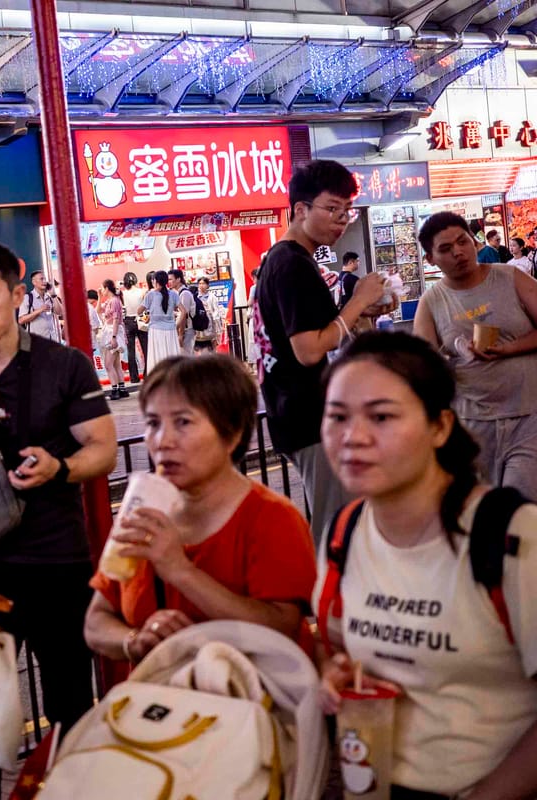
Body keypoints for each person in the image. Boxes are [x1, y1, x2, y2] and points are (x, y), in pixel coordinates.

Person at [316, 331, 537, 800]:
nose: (353, 437)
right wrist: (334, 671)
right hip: (374, 783)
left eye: (381, 416)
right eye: (337, 417)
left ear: (440, 426)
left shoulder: (512, 535)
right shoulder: (344, 532)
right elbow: (334, 646)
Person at [0, 242, 116, 772]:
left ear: (16, 296)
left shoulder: (64, 366)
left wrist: (60, 468)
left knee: (70, 704)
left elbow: (103, 448)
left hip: (58, 562)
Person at [85, 355, 317, 664]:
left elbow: (281, 629)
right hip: (165, 693)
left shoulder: (272, 518)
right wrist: (135, 641)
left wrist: (179, 570)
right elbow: (96, 621)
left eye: (183, 422)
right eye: (153, 423)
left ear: (232, 433)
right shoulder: (142, 513)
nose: (162, 441)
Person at [253, 159, 389, 543]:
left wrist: (362, 311)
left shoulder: (285, 260)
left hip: (298, 415)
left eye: (347, 211)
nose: (341, 220)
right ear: (301, 209)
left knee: (344, 521)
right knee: (337, 530)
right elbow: (309, 350)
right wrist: (358, 300)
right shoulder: (291, 264)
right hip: (307, 417)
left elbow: (323, 331)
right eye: (332, 209)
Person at [413, 212, 537, 500]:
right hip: (471, 426)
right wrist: (454, 353)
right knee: (482, 510)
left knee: (520, 506)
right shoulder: (431, 302)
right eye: (445, 248)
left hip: (528, 416)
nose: (458, 252)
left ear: (474, 241)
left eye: (463, 241)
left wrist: (509, 348)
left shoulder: (510, 277)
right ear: (430, 259)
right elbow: (422, 369)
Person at [142, 270, 180, 376]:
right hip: (171, 330)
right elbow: (183, 310)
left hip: (156, 330)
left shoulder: (150, 294)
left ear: (155, 281)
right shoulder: (173, 294)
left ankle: (159, 378)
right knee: (171, 356)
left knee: (157, 357)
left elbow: (139, 310)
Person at [17, 270, 64, 342]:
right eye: (41, 279)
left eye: (45, 279)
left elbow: (60, 312)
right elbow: (21, 320)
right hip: (36, 342)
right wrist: (40, 310)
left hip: (52, 341)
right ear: (34, 282)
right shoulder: (27, 298)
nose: (44, 281)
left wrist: (53, 295)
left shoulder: (49, 297)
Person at [100, 279, 127, 400]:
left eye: (102, 288)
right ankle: (122, 389)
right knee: (116, 364)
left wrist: (114, 337)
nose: (101, 290)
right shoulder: (110, 301)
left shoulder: (114, 301)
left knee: (108, 364)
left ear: (107, 288)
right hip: (112, 331)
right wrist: (100, 297)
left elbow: (116, 320)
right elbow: (98, 311)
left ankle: (115, 390)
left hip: (113, 332)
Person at [122, 271, 145, 382]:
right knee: (145, 349)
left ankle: (134, 377)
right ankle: (147, 374)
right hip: (140, 320)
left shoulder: (123, 294)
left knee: (130, 351)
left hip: (128, 321)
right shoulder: (142, 291)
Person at [168, 268, 196, 355]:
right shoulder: (179, 293)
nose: (169, 282)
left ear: (178, 279)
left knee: (186, 356)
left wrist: (180, 334)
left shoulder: (184, 294)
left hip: (187, 330)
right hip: (185, 330)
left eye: (171, 279)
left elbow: (184, 315)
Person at [193, 277, 222, 353]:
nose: (201, 285)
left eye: (203, 283)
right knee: (199, 346)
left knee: (211, 345)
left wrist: (215, 322)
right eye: (200, 283)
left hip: (210, 322)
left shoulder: (212, 297)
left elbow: (216, 311)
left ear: (208, 285)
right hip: (199, 324)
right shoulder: (195, 297)